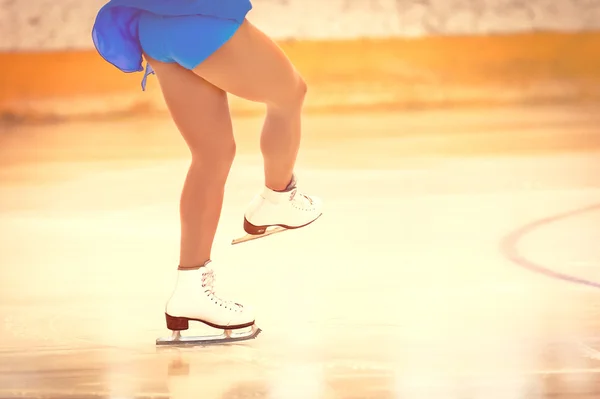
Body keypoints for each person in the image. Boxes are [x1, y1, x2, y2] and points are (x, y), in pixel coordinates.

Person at [91, 0, 323, 340]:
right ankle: (278, 197)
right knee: (289, 94)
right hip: (203, 20)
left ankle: (190, 289)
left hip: (153, 28)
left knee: (210, 155)